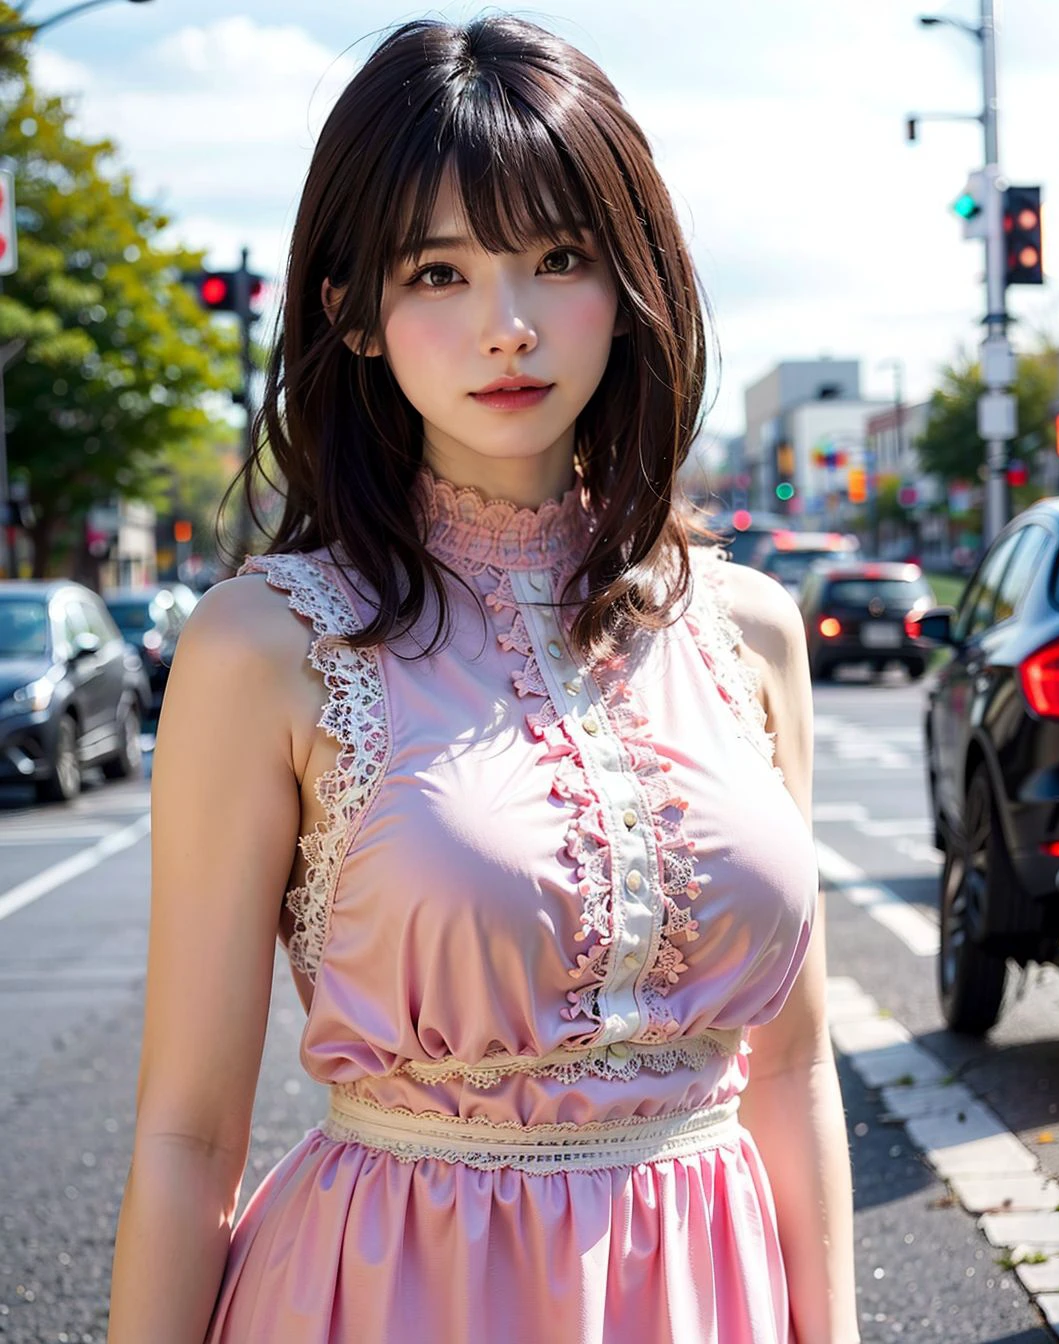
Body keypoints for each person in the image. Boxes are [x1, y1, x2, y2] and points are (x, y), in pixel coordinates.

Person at [108, 16, 859, 1344]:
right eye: (438, 273)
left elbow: (793, 1071)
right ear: (348, 312)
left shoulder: (747, 628)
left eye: (558, 259)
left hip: (706, 1297)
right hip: (390, 1298)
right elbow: (187, 1131)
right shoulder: (267, 647)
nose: (507, 328)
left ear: (630, 283)